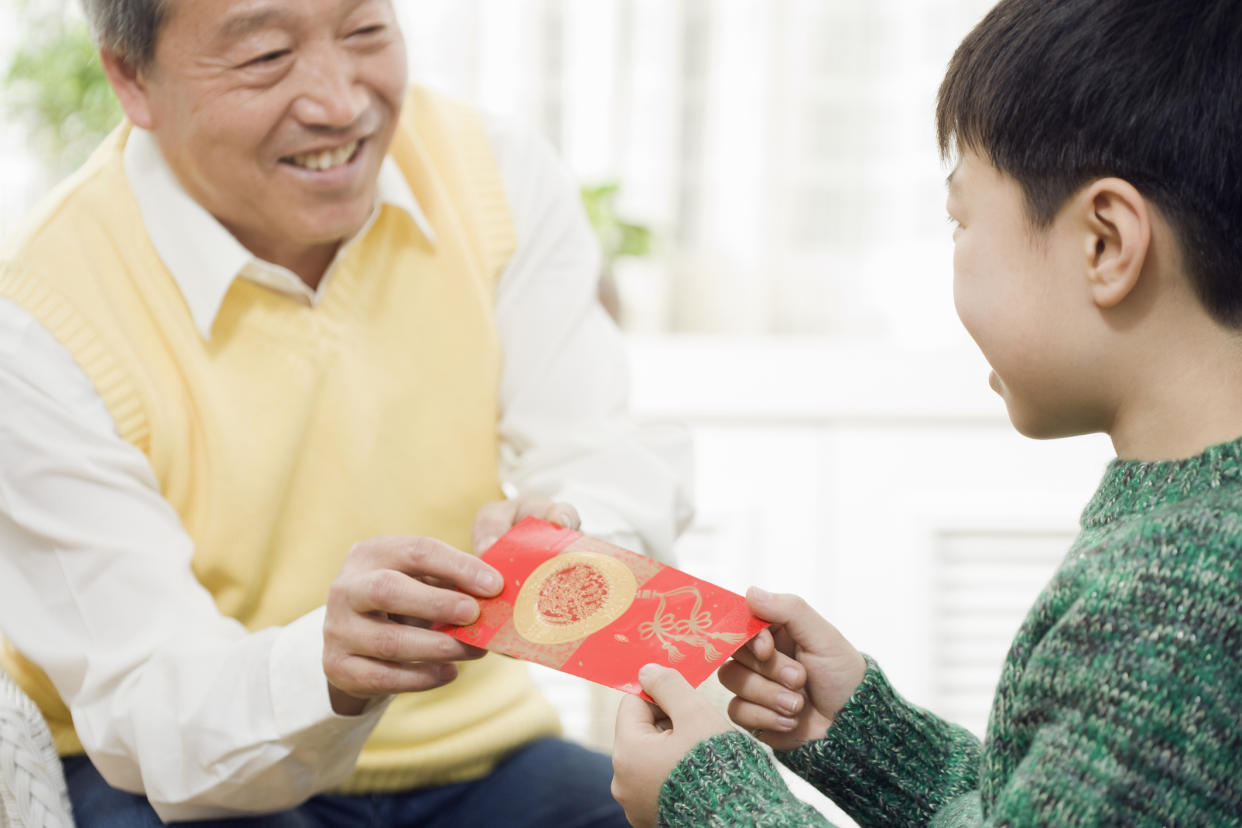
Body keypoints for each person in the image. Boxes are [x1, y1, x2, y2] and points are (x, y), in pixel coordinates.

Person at [0, 0, 691, 825]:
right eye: (265, 56)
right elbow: (149, 707)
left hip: (485, 754)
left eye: (365, 32)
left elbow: (598, 447)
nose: (339, 102)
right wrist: (324, 667)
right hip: (180, 781)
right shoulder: (38, 317)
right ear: (130, 78)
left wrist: (576, 532)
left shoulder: (494, 174)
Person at [611, 0, 1242, 824]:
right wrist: (872, 741)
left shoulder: (1171, 603)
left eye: (961, 220)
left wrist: (708, 800)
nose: (954, 256)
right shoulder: (1190, 540)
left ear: (1105, 243)